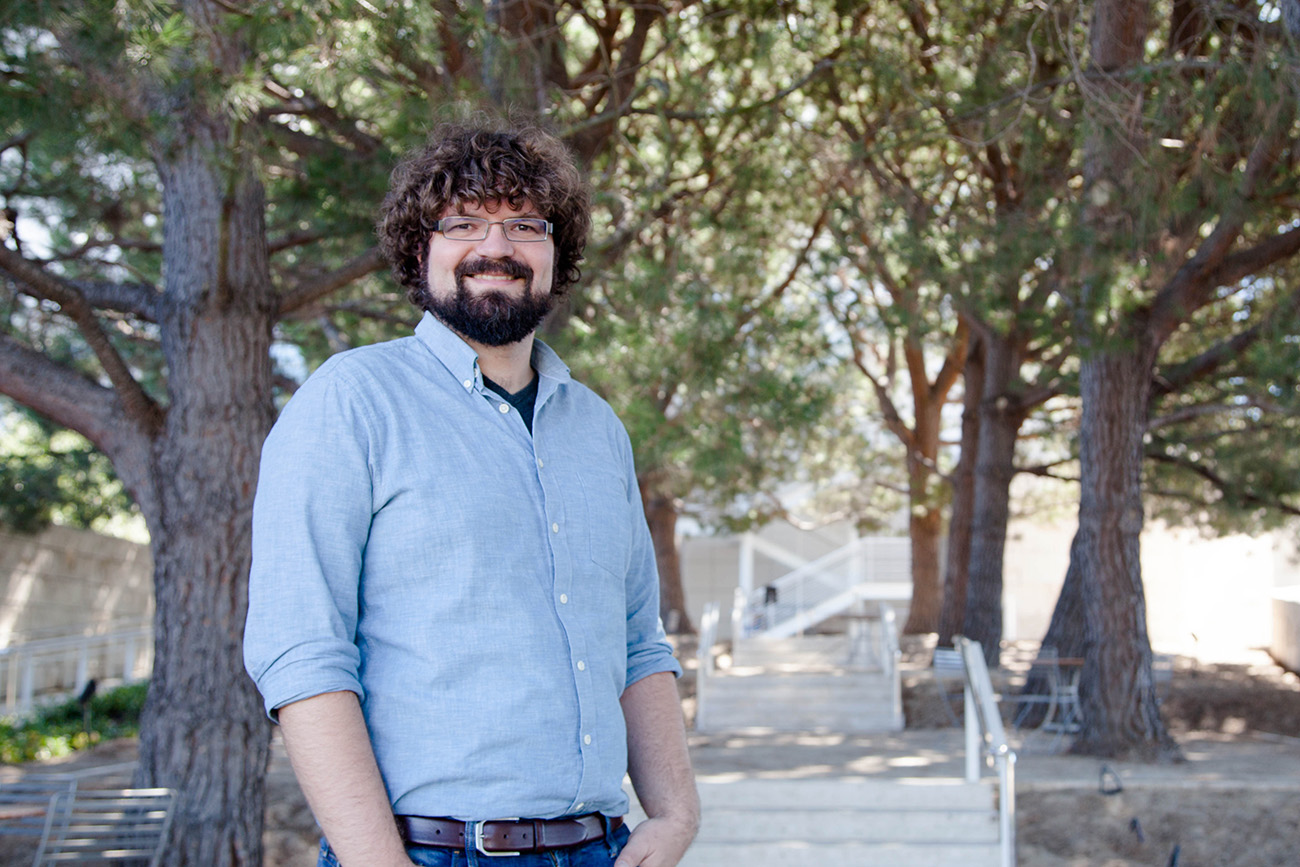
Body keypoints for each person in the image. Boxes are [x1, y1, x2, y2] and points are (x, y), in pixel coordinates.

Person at [243, 120, 699, 867]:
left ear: (558, 253)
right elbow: (303, 653)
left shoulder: (597, 427)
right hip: (427, 852)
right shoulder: (351, 402)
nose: (497, 247)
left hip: (601, 849)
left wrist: (676, 813)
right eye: (462, 223)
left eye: (526, 224)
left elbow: (637, 640)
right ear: (420, 250)